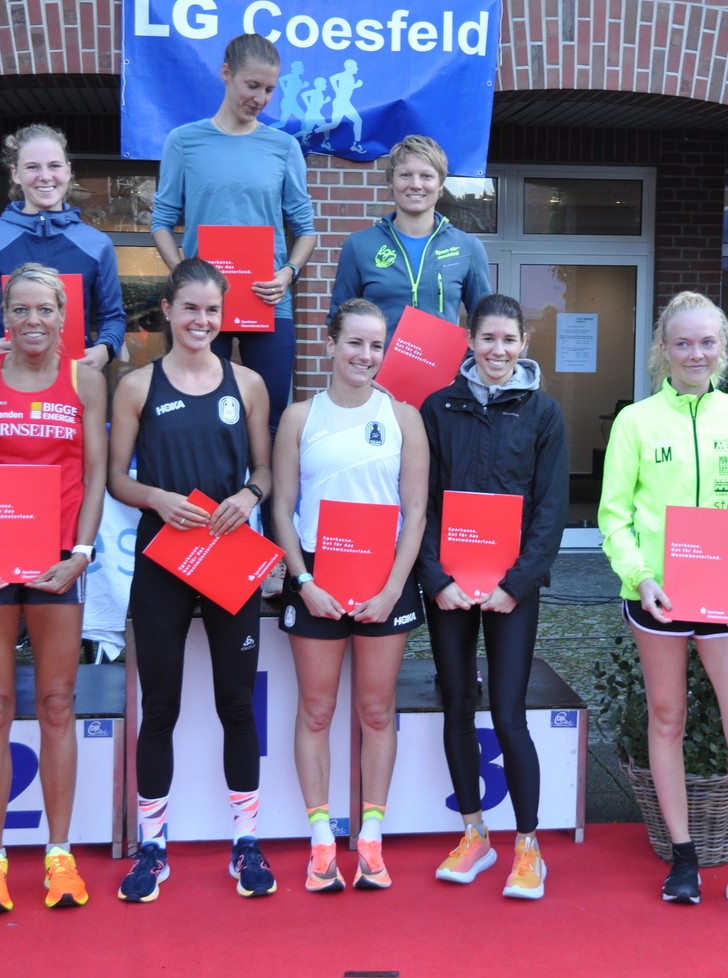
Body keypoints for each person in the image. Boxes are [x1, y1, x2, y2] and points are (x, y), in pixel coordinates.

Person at [597, 291, 728, 919]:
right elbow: (615, 515)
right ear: (662, 350)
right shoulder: (635, 421)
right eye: (682, 343)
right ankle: (684, 857)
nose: (695, 353)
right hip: (658, 597)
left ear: (723, 351)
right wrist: (638, 575)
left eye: (707, 343)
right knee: (667, 722)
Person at [106, 259, 277, 902]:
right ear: (168, 312)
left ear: (222, 315)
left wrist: (248, 495)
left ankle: (247, 842)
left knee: (237, 703)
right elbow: (115, 478)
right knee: (162, 708)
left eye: (212, 311)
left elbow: (265, 468)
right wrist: (154, 497)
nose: (202, 321)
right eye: (190, 309)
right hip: (163, 562)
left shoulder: (250, 384)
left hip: (230, 557)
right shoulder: (135, 386)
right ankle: (153, 847)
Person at [0, 264, 108, 916]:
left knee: (58, 704)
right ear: (3, 316)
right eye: (21, 310)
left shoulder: (85, 380)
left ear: (65, 315)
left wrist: (83, 554)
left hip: (57, 568)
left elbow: (96, 474)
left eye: (46, 310)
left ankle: (59, 854)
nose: (33, 321)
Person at [272, 298, 429, 893]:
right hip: (316, 575)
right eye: (355, 343)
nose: (366, 356)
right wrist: (303, 582)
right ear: (330, 344)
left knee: (375, 711)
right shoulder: (299, 417)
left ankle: (370, 839)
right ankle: (319, 843)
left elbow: (415, 514)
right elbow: (282, 510)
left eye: (376, 345)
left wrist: (392, 589)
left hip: (385, 579)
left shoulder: (403, 417)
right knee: (316, 711)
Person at [417, 294, 568, 899]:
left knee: (508, 713)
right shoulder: (437, 407)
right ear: (469, 342)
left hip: (513, 590)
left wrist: (517, 584)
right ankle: (474, 833)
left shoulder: (543, 413)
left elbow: (552, 510)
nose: (498, 351)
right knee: (457, 704)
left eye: (509, 340)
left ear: (524, 343)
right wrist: (437, 580)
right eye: (488, 340)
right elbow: (421, 503)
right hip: (449, 588)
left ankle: (527, 846)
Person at [151, 33, 317, 437]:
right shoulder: (185, 141)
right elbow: (161, 222)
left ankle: (266, 500)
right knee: (202, 415)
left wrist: (287, 274)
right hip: (205, 307)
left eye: (269, 89)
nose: (260, 97)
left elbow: (306, 229)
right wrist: (185, 276)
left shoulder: (283, 147)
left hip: (267, 301)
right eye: (252, 85)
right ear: (226, 74)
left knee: (273, 416)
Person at [0, 124, 125, 369]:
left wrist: (105, 349)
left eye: (54, 165)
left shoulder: (97, 243)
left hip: (74, 380)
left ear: (68, 171)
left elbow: (112, 317)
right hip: (8, 378)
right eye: (32, 167)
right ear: (15, 174)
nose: (45, 176)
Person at [329, 135, 490, 338]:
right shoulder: (359, 246)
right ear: (390, 182)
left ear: (441, 183)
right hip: (376, 369)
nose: (415, 184)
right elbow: (339, 321)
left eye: (426, 176)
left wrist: (463, 364)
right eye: (405, 175)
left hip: (443, 369)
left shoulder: (468, 248)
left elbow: (485, 323)